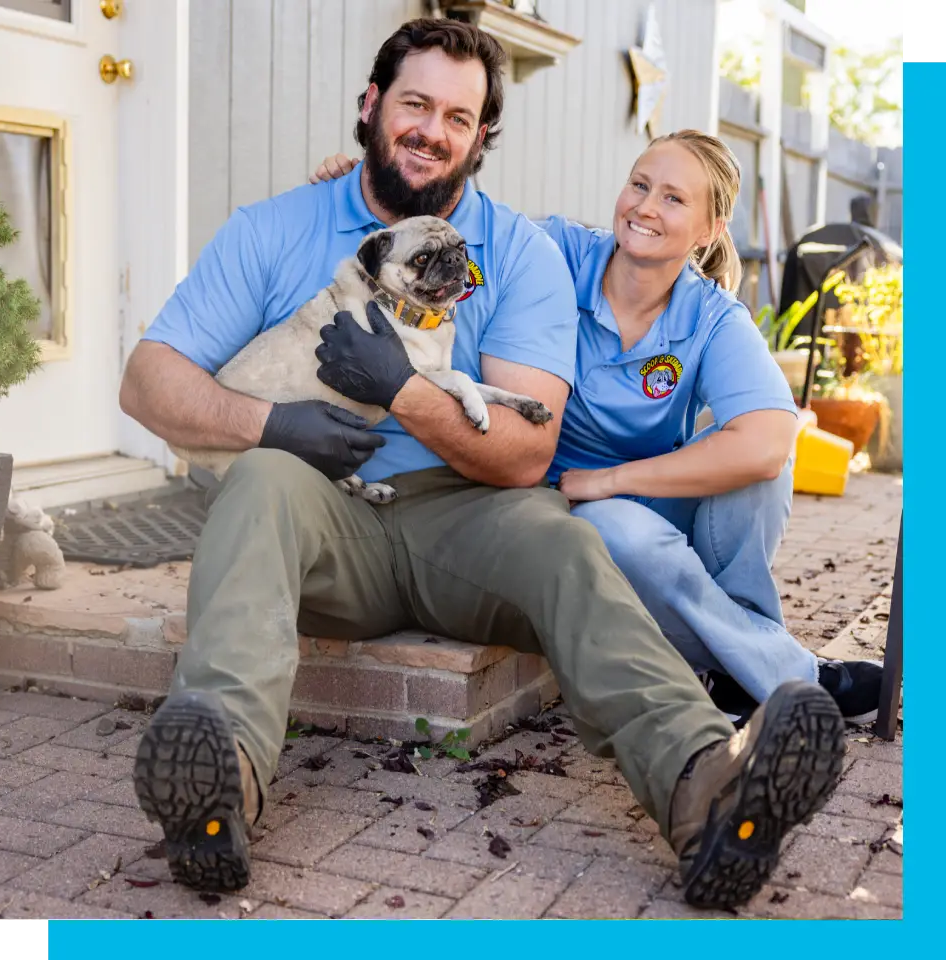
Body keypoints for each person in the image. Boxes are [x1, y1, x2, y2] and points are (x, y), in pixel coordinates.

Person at [121, 18, 846, 910]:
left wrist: (403, 392)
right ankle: (216, 785)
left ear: (481, 138)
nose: (431, 129)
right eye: (415, 103)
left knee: (567, 545)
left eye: (458, 117)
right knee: (262, 480)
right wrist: (271, 421)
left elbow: (527, 451)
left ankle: (708, 788)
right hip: (320, 508)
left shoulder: (520, 253)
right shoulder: (273, 230)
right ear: (370, 105)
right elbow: (147, 383)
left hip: (466, 514)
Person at [312, 132, 884, 729]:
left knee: (761, 471)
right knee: (618, 530)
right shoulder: (553, 251)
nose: (644, 206)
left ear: (710, 230)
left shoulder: (710, 316)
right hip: (557, 511)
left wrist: (610, 479)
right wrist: (369, 185)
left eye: (673, 199)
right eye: (639, 184)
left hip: (629, 494)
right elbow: (449, 238)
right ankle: (785, 674)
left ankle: (742, 669)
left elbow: (768, 443)